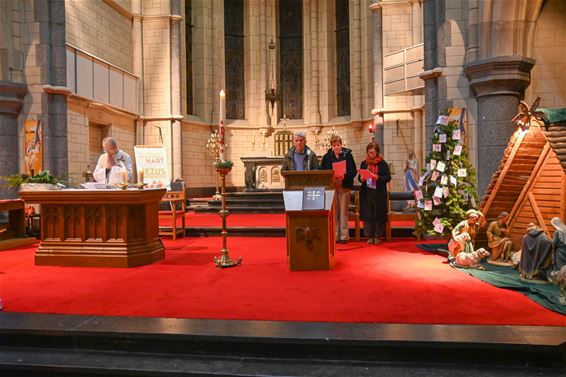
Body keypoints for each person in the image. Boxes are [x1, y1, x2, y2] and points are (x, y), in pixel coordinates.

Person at [320, 135, 357, 243]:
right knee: (334, 212)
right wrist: (332, 175)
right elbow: (322, 171)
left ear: (341, 145)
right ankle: (335, 235)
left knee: (343, 212)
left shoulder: (348, 155)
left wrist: (344, 175)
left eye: (338, 145)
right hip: (332, 187)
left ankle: (344, 236)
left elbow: (353, 171)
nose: (336, 147)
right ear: (331, 146)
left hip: (344, 186)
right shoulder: (327, 157)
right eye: (334, 145)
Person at [358, 142, 391, 245]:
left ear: (377, 152)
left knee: (378, 214)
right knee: (368, 215)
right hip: (367, 192)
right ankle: (369, 236)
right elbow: (359, 178)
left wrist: (377, 177)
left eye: (372, 152)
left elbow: (388, 177)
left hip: (379, 193)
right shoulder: (364, 163)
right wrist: (361, 178)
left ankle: (377, 236)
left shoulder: (383, 164)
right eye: (368, 153)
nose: (370, 154)